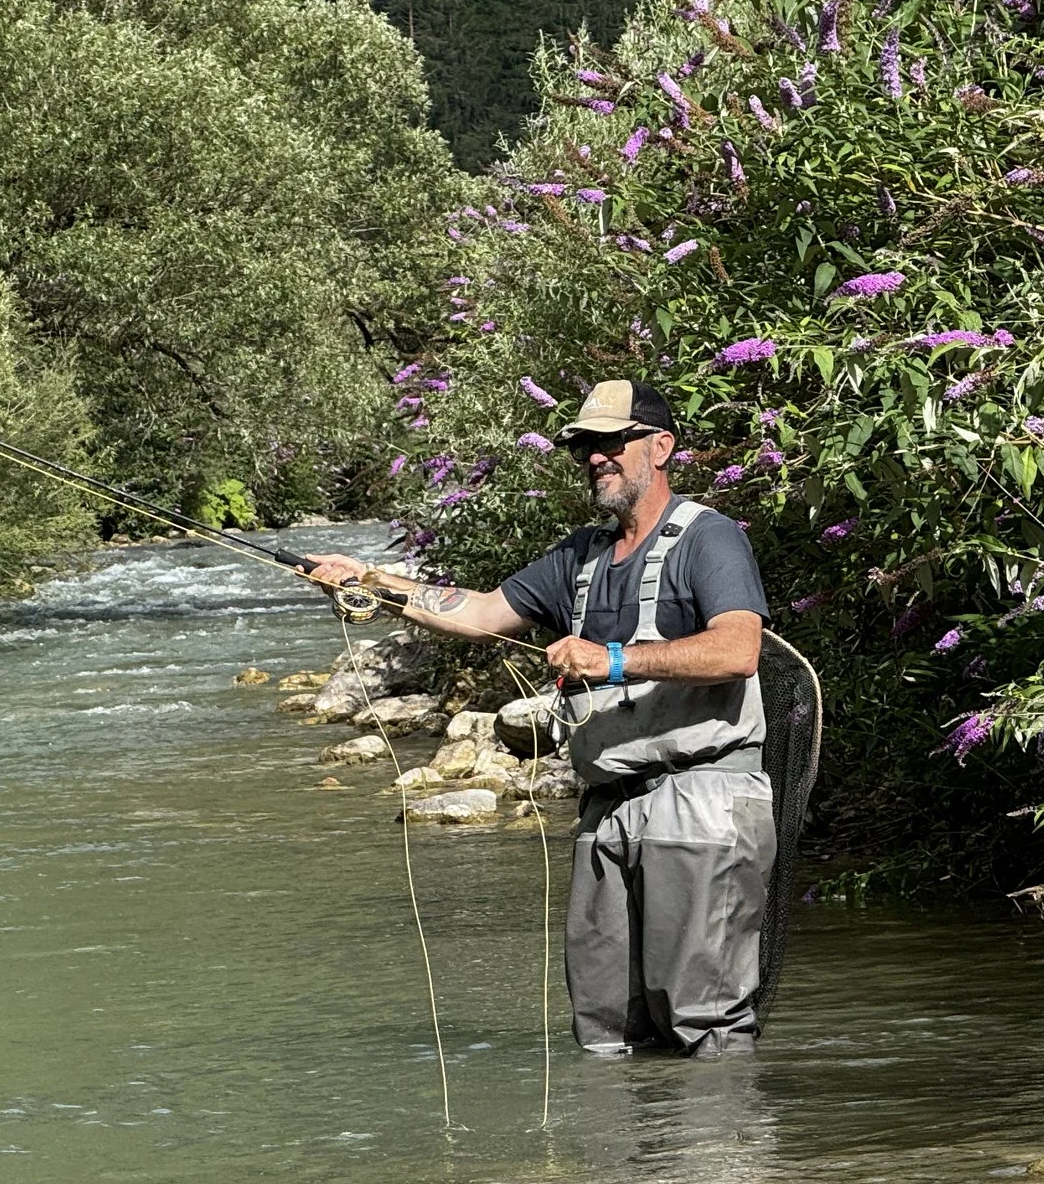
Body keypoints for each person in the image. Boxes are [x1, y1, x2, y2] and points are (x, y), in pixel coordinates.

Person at [301, 379, 775, 1056]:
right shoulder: (577, 556)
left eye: (613, 441)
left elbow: (738, 649)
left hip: (702, 796)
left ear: (661, 446)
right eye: (586, 446)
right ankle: (625, 1161)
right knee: (606, 1027)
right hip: (607, 805)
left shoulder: (711, 539)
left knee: (704, 1022)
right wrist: (371, 581)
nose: (595, 457)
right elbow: (479, 611)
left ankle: (719, 1160)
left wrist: (611, 660)